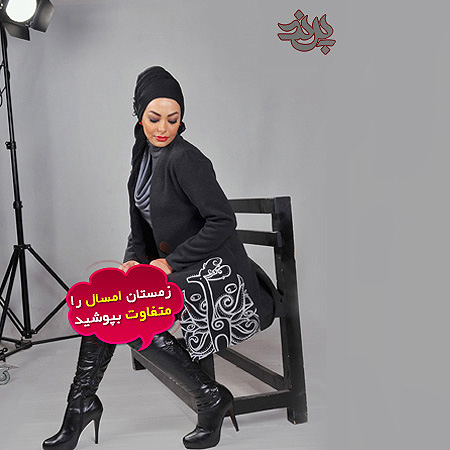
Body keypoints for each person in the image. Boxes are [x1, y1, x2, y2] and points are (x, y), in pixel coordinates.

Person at [42, 66, 276, 450]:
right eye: (154, 118)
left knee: (129, 311)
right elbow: (141, 227)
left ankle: (207, 397)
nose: (163, 128)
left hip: (218, 272)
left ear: (182, 118)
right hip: (185, 266)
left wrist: (171, 262)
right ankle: (81, 403)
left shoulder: (186, 159)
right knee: (100, 303)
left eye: (173, 118)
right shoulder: (143, 157)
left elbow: (222, 221)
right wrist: (132, 262)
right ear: (139, 114)